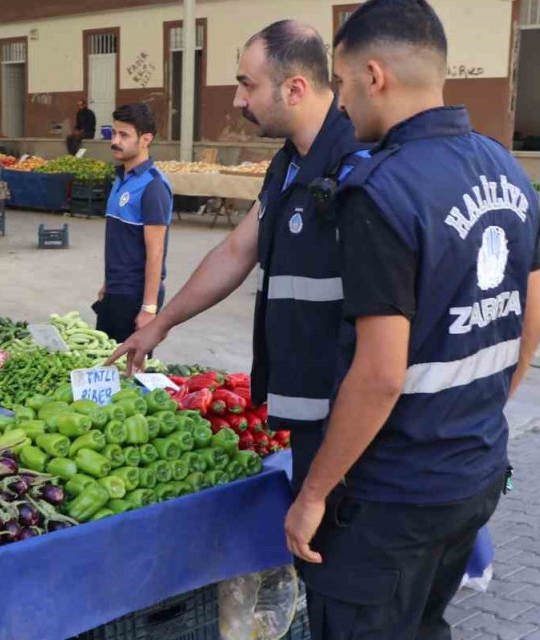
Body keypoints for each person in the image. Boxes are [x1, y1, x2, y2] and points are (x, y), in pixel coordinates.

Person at [281, 2, 540, 637]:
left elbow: (379, 375)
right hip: (473, 471)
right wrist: (473, 418)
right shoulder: (505, 166)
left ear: (375, 75)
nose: (341, 105)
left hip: (392, 498)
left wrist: (314, 494)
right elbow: (531, 324)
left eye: (342, 84)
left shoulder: (382, 190)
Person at [109, 21, 369, 494]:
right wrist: (160, 323)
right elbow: (236, 249)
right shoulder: (290, 161)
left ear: (294, 88)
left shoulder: (358, 164)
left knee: (340, 543)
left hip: (349, 416)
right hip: (304, 402)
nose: (237, 100)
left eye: (247, 85)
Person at [94, 104, 171, 344]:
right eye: (114, 134)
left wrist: (149, 308)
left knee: (130, 374)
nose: (115, 141)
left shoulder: (153, 186)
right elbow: (120, 241)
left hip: (135, 297)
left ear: (146, 139)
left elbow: (156, 253)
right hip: (114, 291)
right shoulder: (120, 179)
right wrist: (107, 284)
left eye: (124, 135)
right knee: (105, 366)